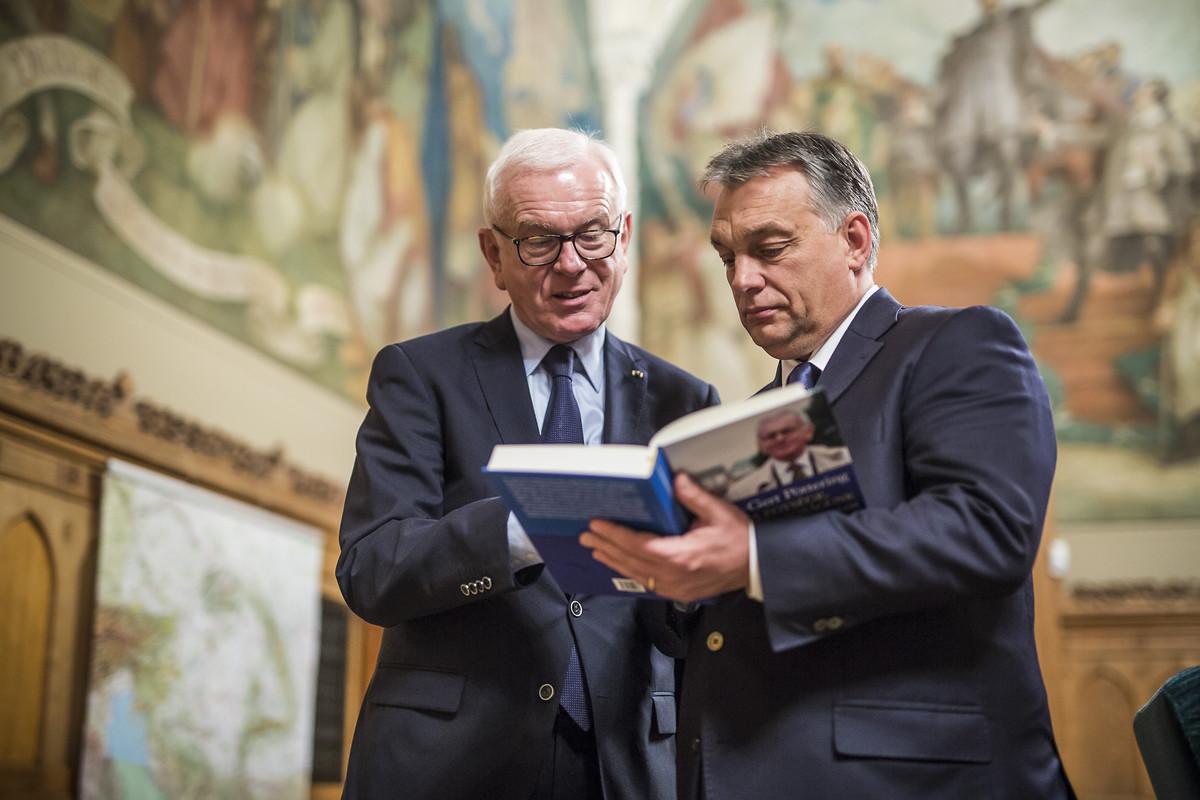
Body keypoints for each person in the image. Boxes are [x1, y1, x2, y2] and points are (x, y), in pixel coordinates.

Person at [581, 130, 1075, 798]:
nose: (741, 279)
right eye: (727, 257)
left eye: (770, 248)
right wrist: (668, 579)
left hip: (910, 778)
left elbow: (987, 529)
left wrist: (753, 557)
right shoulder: (752, 416)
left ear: (855, 241)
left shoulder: (954, 345)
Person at [335, 127, 719, 800]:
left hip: (622, 766)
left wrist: (698, 577)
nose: (570, 264)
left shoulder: (686, 402)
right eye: (539, 240)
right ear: (493, 253)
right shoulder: (421, 376)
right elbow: (373, 570)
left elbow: (687, 628)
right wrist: (527, 524)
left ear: (624, 237)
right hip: (450, 764)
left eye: (592, 234)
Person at [725, 409, 850, 501]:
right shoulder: (742, 492)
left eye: (787, 431)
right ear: (761, 445)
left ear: (808, 431)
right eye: (770, 436)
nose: (780, 439)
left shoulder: (846, 458)